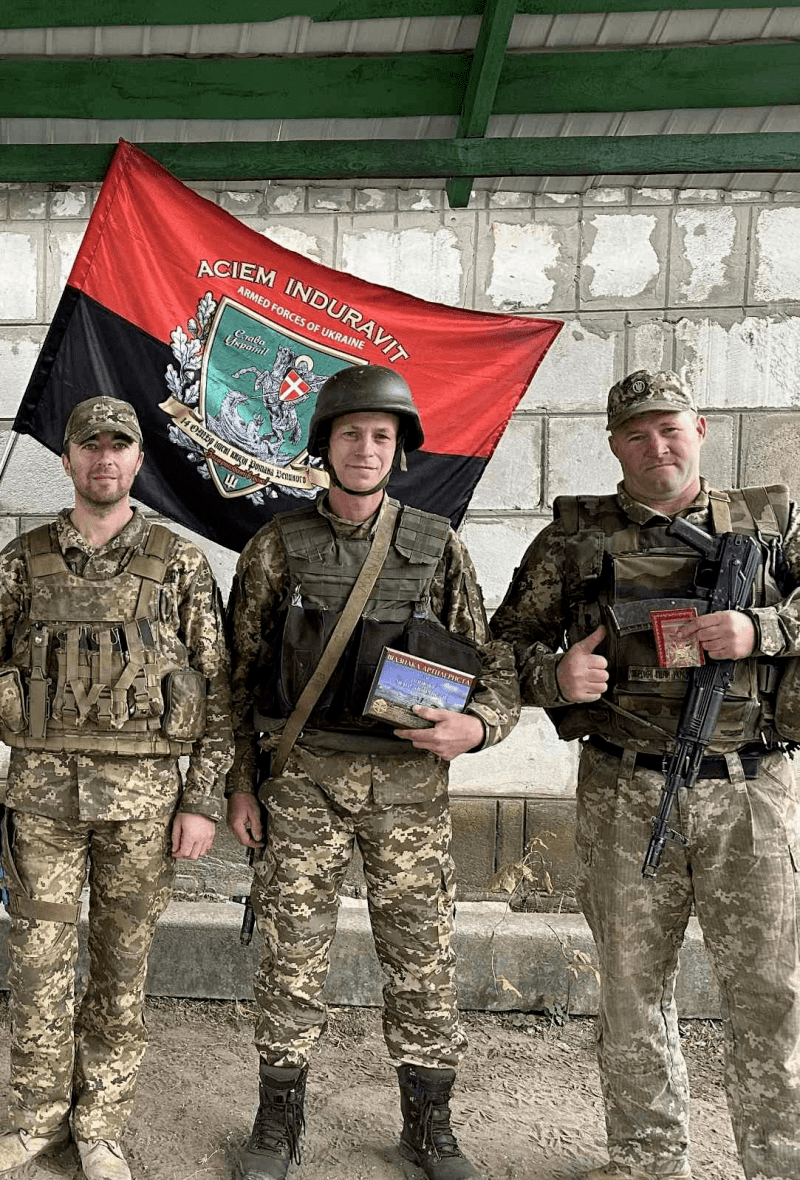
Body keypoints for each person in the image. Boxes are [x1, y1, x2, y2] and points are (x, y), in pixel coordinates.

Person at [490, 370, 800, 1180]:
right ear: (614, 445)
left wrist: (761, 628)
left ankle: (778, 1164)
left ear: (700, 430)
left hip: (749, 791)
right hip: (624, 790)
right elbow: (501, 644)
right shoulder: (573, 541)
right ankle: (648, 1161)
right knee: (631, 990)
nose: (655, 446)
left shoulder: (775, 524)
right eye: (636, 434)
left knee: (770, 994)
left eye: (669, 428)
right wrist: (554, 678)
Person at [227, 364, 520, 1180]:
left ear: (399, 451)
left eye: (381, 436)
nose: (365, 449)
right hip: (305, 780)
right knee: (291, 956)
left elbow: (494, 667)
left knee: (422, 958)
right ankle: (276, 1122)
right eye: (350, 434)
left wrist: (478, 728)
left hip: (408, 789)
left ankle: (429, 1126)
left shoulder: (436, 545)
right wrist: (241, 784)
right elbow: (236, 679)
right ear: (323, 447)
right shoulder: (277, 547)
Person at [0, 396, 233, 1180]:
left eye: (119, 445)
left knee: (121, 967)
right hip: (41, 803)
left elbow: (217, 691)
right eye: (90, 445)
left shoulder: (179, 563)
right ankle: (35, 1120)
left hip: (143, 807)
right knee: (37, 965)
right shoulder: (21, 561)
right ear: (67, 458)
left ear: (138, 459)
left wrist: (201, 801)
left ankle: (98, 1127)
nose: (104, 458)